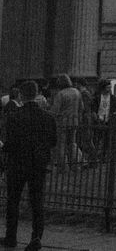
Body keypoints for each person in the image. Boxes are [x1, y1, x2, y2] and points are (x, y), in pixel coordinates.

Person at [2, 80, 58, 250]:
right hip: (38, 164)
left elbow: (9, 143)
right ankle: (36, 237)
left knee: (13, 201)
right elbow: (53, 141)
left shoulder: (13, 117)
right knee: (37, 202)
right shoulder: (48, 118)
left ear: (21, 95)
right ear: (36, 94)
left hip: (17, 164)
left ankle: (11, 237)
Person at [47, 74, 82, 171]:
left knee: (61, 144)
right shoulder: (77, 92)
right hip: (74, 121)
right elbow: (81, 107)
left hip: (62, 122)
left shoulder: (60, 94)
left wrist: (48, 111)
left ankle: (63, 166)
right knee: (73, 143)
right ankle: (75, 165)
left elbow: (55, 111)